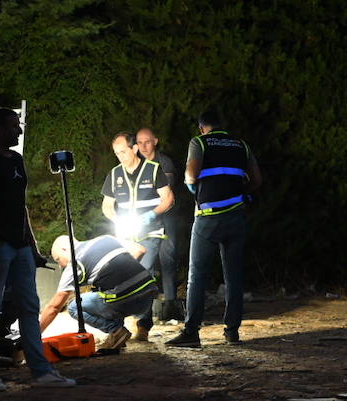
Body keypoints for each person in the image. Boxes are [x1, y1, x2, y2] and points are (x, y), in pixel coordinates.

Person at [0, 107, 76, 391]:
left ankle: (40, 370)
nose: (19, 130)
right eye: (14, 126)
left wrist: (31, 245)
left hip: (19, 248)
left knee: (29, 306)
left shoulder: (16, 159)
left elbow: (20, 206)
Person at [166, 108, 262, 349]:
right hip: (236, 217)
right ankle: (232, 332)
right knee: (234, 277)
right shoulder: (241, 145)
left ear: (202, 128)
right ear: (222, 125)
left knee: (197, 276)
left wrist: (194, 190)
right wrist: (241, 194)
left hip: (208, 217)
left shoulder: (199, 142)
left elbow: (190, 174)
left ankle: (191, 333)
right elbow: (257, 180)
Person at [101, 132, 173, 341]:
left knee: (143, 272)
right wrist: (115, 218)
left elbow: (168, 199)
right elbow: (106, 205)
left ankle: (143, 326)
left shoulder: (153, 170)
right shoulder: (114, 174)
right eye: (116, 153)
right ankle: (119, 327)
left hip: (150, 232)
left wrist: (150, 215)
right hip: (125, 235)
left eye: (123, 151)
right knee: (121, 277)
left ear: (134, 149)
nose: (120, 156)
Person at [40, 235, 159, 353]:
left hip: (126, 301)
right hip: (148, 297)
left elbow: (54, 307)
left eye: (58, 260)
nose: (60, 265)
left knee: (74, 306)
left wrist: (34, 335)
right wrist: (126, 279)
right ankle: (118, 336)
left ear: (64, 249)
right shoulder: (106, 239)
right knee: (107, 289)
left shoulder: (76, 263)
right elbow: (140, 250)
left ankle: (116, 331)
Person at [136, 126, 183, 321]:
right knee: (144, 262)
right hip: (143, 220)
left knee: (167, 259)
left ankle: (170, 304)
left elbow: (165, 193)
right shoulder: (136, 165)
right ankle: (144, 308)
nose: (143, 146)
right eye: (139, 142)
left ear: (155, 141)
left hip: (166, 217)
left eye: (147, 141)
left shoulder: (164, 162)